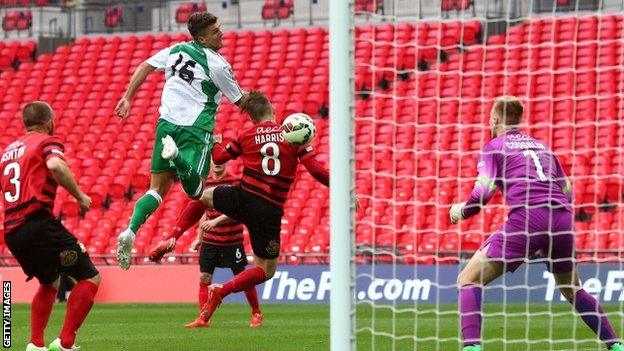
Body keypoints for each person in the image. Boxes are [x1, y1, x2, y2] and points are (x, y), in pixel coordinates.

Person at [449, 96, 623, 351]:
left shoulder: (494, 146)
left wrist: (461, 211)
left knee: (468, 279)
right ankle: (616, 345)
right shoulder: (542, 147)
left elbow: (483, 194)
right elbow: (567, 190)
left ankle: (471, 348)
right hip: (562, 219)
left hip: (528, 217)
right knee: (573, 289)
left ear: (494, 119)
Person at [150, 90, 329, 322]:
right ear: (273, 110)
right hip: (269, 210)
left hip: (243, 196)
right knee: (265, 270)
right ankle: (221, 291)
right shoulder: (291, 136)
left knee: (204, 197)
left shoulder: (246, 135)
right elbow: (315, 170)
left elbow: (220, 158)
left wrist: (214, 142)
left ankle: (173, 236)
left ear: (252, 118)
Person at [114, 11, 245, 270]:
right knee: (196, 191)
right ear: (202, 38)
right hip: (196, 128)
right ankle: (177, 157)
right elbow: (240, 100)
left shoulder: (176, 50)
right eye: (215, 30)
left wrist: (127, 97)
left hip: (166, 124)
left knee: (157, 189)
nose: (221, 33)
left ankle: (131, 229)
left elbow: (145, 66)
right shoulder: (217, 64)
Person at [0, 102, 100, 351]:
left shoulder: (7, 152)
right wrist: (79, 196)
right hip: (37, 221)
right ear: (49, 122)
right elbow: (55, 166)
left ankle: (36, 344)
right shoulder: (46, 141)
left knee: (50, 282)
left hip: (12, 231)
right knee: (90, 277)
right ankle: (66, 344)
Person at [177, 161, 263, 329]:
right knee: (204, 277)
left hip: (232, 239)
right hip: (210, 240)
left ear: (227, 162)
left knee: (244, 278)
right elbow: (201, 209)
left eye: (221, 160)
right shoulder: (205, 183)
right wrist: (198, 237)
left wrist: (216, 221)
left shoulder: (235, 181)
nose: (218, 164)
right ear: (210, 162)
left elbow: (239, 207)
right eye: (215, 161)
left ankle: (256, 312)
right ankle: (204, 317)